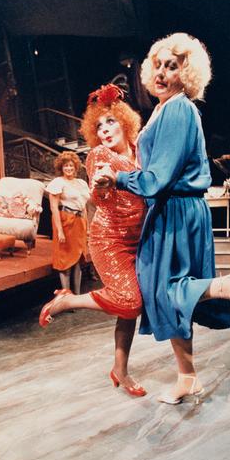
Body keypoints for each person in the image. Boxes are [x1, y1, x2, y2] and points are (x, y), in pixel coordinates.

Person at [96, 33, 230, 405]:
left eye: (172, 67)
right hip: (171, 209)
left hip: (175, 209)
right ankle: (188, 377)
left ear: (186, 74)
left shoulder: (178, 109)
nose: (161, 73)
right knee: (167, 293)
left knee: (165, 289)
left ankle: (229, 284)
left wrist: (119, 178)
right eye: (157, 65)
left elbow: (158, 178)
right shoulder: (164, 108)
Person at [39, 84, 147, 397]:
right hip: (110, 239)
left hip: (139, 238)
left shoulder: (141, 149)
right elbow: (100, 199)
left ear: (125, 121)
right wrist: (101, 186)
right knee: (131, 301)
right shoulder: (99, 155)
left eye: (110, 122)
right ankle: (68, 300)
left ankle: (120, 370)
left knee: (128, 309)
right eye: (98, 126)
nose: (104, 130)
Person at [45, 151, 90, 295]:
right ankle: (66, 295)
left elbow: (84, 207)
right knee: (65, 260)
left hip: (79, 222)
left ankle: (77, 295)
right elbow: (53, 208)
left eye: (71, 165)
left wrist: (87, 227)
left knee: (77, 260)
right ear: (61, 168)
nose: (69, 168)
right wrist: (59, 231)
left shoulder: (82, 183)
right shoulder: (58, 183)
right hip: (65, 221)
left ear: (75, 167)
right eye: (66, 166)